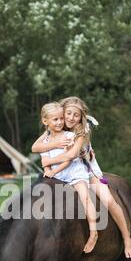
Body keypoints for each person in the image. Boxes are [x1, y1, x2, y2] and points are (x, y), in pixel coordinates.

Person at [34, 96, 131, 259]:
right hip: (62, 170)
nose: (71, 118)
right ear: (62, 112)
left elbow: (73, 154)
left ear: (81, 117)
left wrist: (49, 160)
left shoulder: (82, 129)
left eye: (76, 115)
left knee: (108, 200)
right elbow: (35, 147)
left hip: (86, 169)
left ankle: (126, 237)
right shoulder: (55, 125)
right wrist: (54, 146)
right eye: (68, 113)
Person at [33, 102, 98, 253]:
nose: (60, 122)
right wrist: (48, 170)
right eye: (55, 120)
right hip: (56, 175)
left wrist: (54, 171)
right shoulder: (45, 141)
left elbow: (68, 159)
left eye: (61, 119)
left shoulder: (68, 135)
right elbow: (44, 160)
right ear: (45, 121)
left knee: (85, 197)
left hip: (74, 173)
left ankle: (94, 232)